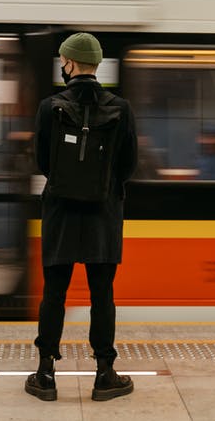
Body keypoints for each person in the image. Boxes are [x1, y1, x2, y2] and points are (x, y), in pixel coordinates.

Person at [26, 32, 138, 402]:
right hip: (103, 215)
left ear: (70, 64)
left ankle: (45, 374)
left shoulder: (49, 106)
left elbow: (43, 162)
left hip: (60, 213)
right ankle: (105, 373)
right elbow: (129, 165)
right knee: (101, 295)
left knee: (54, 294)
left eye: (63, 60)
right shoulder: (121, 108)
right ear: (97, 65)